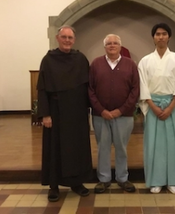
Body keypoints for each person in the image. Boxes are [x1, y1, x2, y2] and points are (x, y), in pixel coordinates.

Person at [37, 25, 93, 202]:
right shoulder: (48, 59)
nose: (67, 40)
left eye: (70, 38)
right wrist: (45, 114)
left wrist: (93, 109)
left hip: (77, 112)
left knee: (77, 148)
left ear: (74, 40)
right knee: (55, 148)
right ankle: (54, 186)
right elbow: (42, 89)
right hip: (56, 112)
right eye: (64, 37)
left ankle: (77, 183)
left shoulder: (81, 59)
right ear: (57, 38)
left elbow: (88, 87)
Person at [138, 23, 175, 194]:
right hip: (153, 106)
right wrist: (152, 106)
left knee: (173, 143)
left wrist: (171, 106)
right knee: (154, 144)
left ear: (169, 37)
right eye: (157, 34)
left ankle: (173, 180)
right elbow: (142, 85)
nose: (161, 37)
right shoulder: (145, 61)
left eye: (164, 34)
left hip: (171, 105)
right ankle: (156, 180)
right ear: (153, 37)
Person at [89, 34, 140, 193]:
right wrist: (101, 110)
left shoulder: (130, 64)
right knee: (102, 147)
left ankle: (122, 178)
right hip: (100, 116)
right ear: (105, 47)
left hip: (124, 116)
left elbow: (135, 90)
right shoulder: (96, 64)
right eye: (109, 43)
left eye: (115, 43)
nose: (112, 45)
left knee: (121, 148)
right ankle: (103, 179)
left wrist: (121, 110)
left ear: (120, 46)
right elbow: (90, 90)